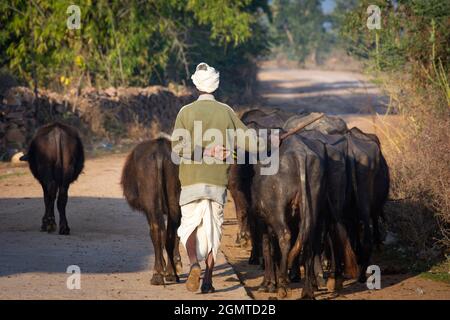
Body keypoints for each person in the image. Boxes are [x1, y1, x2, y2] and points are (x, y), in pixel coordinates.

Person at [171, 62, 265, 293]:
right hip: (217, 183)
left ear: (196, 86)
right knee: (213, 229)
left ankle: (194, 264)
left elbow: (178, 147)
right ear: (216, 85)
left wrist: (202, 151)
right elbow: (251, 142)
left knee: (190, 227)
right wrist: (270, 142)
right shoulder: (226, 112)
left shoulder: (185, 112)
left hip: (191, 181)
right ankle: (208, 280)